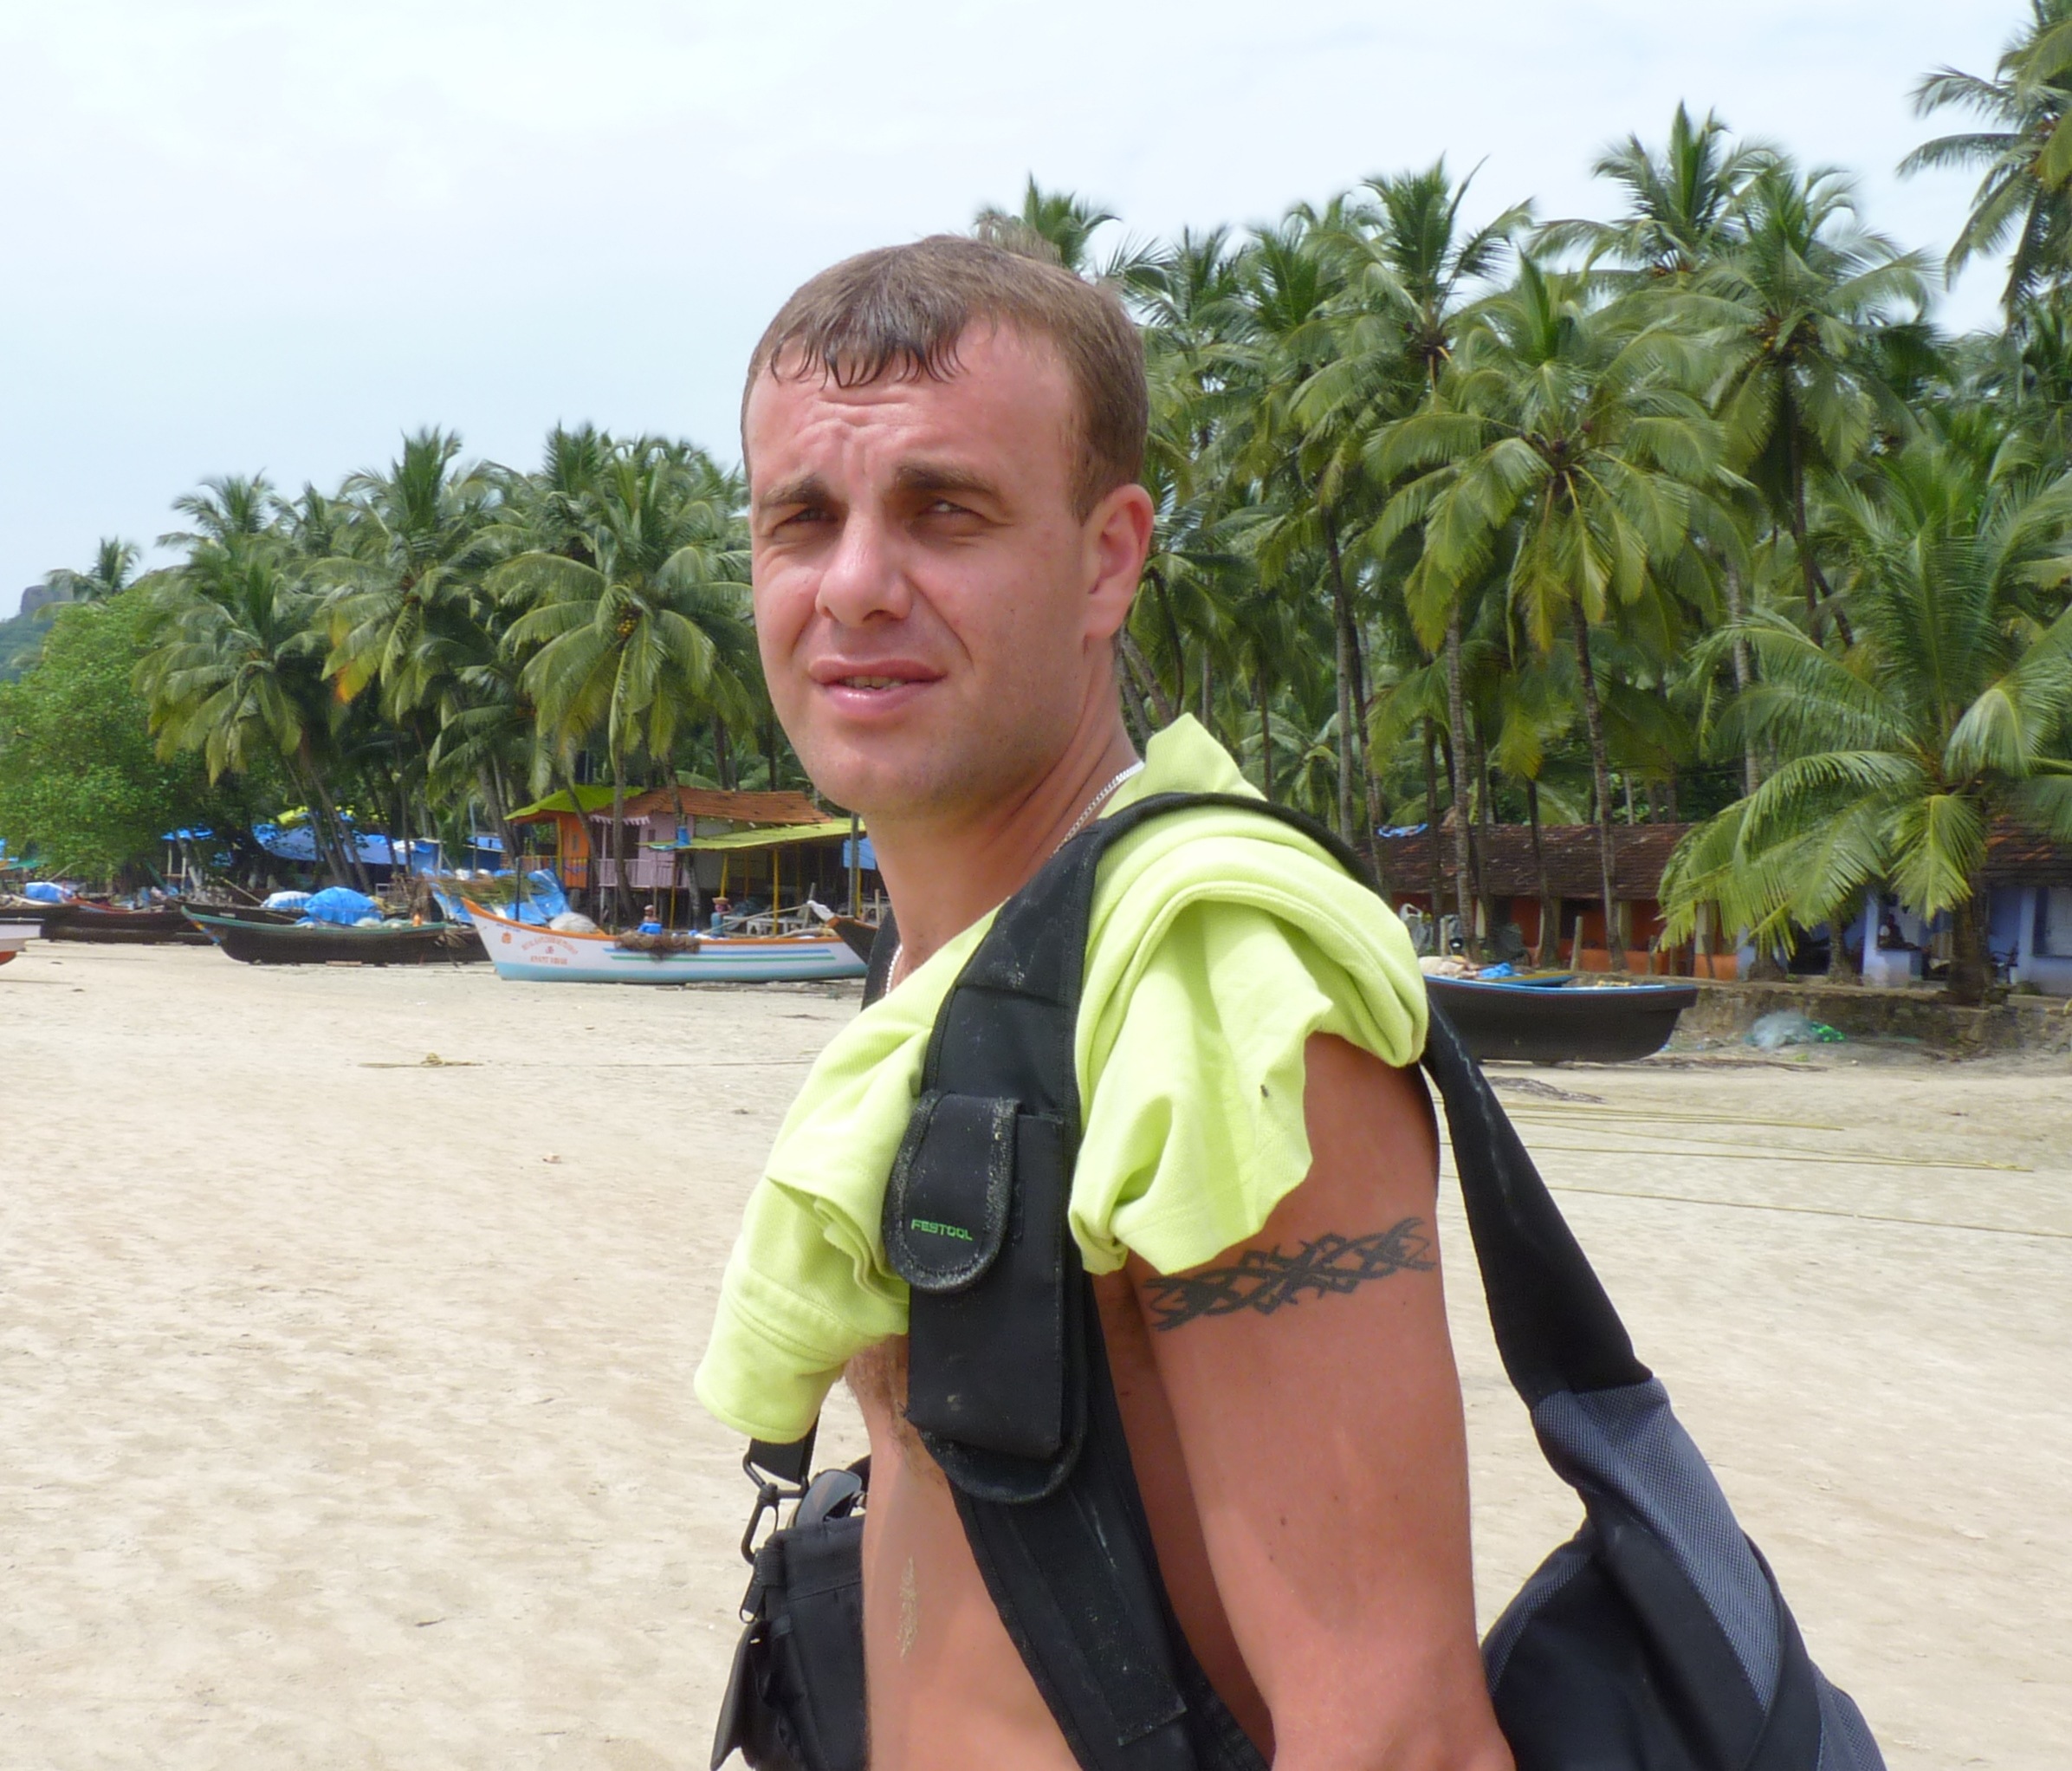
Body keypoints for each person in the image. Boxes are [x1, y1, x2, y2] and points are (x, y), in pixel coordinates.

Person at [697, 236, 1511, 1771]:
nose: (855, 586)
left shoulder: (1203, 983)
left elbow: (1397, 1729)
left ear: (1108, 559)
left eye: (945, 511)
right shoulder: (960, 969)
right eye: (801, 520)